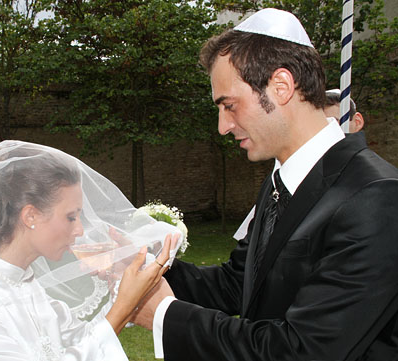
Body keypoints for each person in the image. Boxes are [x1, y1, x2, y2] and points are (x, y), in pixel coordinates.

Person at [131, 8, 398, 361]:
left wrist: (164, 314)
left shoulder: (375, 196)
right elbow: (238, 284)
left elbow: (302, 351)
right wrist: (142, 265)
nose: (222, 127)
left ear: (281, 87)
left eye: (229, 106)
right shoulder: (281, 182)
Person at [0, 140, 182, 361]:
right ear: (31, 216)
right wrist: (121, 308)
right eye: (71, 217)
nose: (80, 231)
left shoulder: (26, 284)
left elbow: (79, 337)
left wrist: (125, 296)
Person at [233, 89, 365, 242]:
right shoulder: (282, 182)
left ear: (357, 122)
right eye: (322, 124)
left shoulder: (369, 184)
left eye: (334, 123)